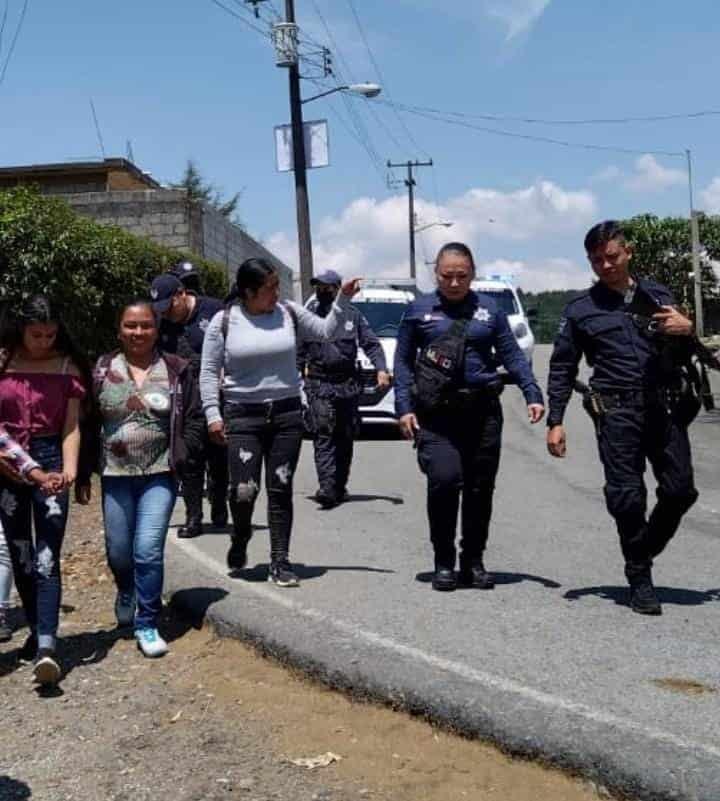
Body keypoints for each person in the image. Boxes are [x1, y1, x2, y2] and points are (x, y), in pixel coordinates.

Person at [546, 221, 698, 616]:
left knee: (681, 491)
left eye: (611, 256)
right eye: (597, 260)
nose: (606, 265)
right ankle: (640, 577)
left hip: (663, 407)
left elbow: (685, 355)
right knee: (627, 496)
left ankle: (642, 548)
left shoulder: (658, 295)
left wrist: (687, 328)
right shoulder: (581, 310)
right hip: (615, 411)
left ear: (627, 252)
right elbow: (562, 367)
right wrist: (555, 420)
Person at [394, 243, 545, 592]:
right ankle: (443, 561)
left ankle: (473, 561)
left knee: (480, 490)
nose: (454, 282)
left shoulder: (489, 311)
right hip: (437, 416)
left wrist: (531, 392)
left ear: (472, 274)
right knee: (444, 482)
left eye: (462, 275)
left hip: (482, 413)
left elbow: (512, 355)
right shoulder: (418, 311)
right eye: (447, 275)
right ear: (436, 274)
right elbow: (401, 363)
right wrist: (404, 407)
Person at [200, 258, 359, 587]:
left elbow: (326, 332)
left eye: (277, 286)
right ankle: (241, 534)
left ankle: (280, 560)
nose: (277, 293)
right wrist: (213, 415)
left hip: (286, 415)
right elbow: (207, 372)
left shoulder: (288, 312)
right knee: (244, 491)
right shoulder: (224, 321)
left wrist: (342, 300)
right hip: (242, 415)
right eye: (269, 288)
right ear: (248, 291)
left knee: (280, 488)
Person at [77, 300, 203, 657]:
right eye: (131, 326)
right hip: (115, 476)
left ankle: (147, 622)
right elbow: (86, 424)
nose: (138, 332)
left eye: (145, 325)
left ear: (156, 328)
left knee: (147, 550)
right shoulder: (102, 369)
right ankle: (127, 590)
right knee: (119, 551)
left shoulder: (176, 369)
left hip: (160, 474)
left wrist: (184, 453)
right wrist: (84, 472)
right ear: (119, 329)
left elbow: (192, 418)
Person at [0, 296, 88, 686]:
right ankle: (36, 629)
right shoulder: (2, 362)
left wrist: (69, 469)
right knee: (20, 552)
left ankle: (48, 646)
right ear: (20, 328)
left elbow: (71, 425)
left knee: (48, 553)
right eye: (36, 334)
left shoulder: (67, 366)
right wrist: (27, 468)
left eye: (51, 334)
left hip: (52, 458)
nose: (44, 341)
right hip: (6, 463)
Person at [297, 269, 390, 509]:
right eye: (318, 287)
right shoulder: (308, 317)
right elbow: (297, 352)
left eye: (327, 287)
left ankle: (339, 484)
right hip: (318, 383)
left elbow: (372, 344)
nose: (322, 291)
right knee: (323, 431)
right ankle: (327, 487)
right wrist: (294, 380)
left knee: (345, 435)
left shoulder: (353, 316)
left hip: (347, 384)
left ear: (338, 289)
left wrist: (381, 368)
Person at [150, 270, 227, 538]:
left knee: (219, 458)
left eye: (169, 305)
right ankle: (193, 516)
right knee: (190, 458)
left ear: (182, 294)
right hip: (184, 400)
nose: (167, 313)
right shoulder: (161, 323)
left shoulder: (215, 310)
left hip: (219, 397)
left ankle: (219, 504)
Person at [0, 428, 63, 643]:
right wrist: (38, 474)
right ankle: (37, 631)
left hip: (46, 456)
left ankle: (44, 638)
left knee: (44, 558)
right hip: (11, 466)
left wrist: (76, 470)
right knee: (17, 553)